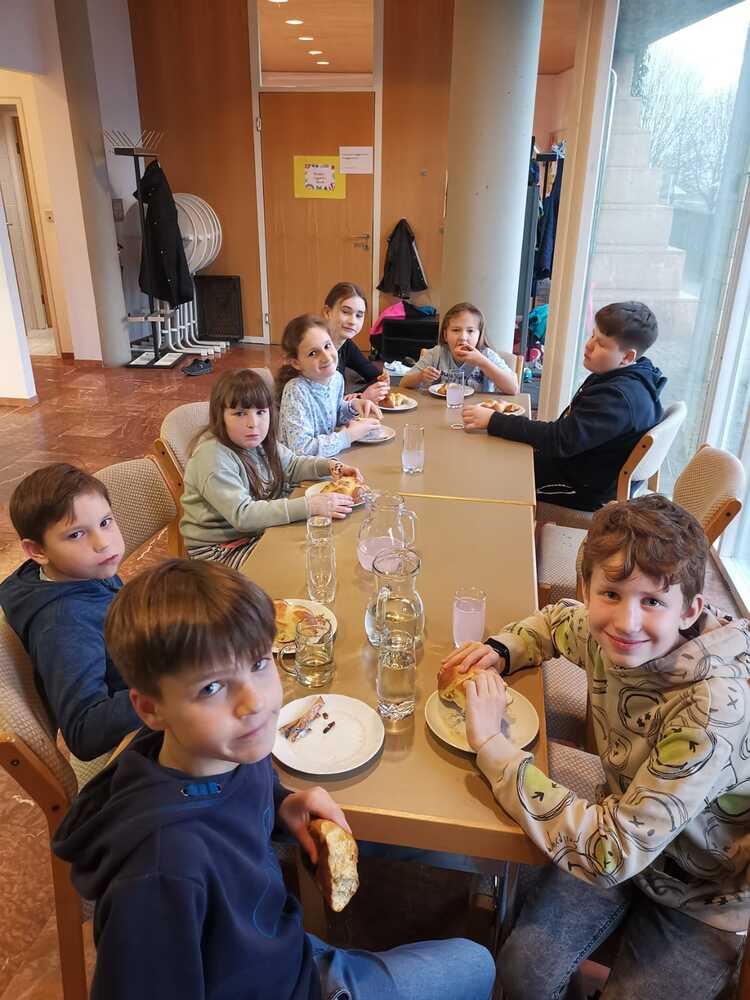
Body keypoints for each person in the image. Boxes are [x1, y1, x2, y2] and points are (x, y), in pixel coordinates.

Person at [52, 560, 497, 1000]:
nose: (255, 703)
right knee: (477, 965)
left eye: (259, 663)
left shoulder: (219, 750)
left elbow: (235, 794)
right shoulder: (161, 872)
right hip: (287, 985)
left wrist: (283, 803)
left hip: (280, 954)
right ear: (150, 709)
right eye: (211, 688)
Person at [441, 495, 750, 1000]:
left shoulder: (712, 709)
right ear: (587, 589)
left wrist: (493, 747)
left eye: (653, 602)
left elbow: (610, 854)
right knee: (521, 972)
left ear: (690, 609)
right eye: (611, 593)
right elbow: (554, 623)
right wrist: (501, 649)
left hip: (702, 894)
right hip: (624, 825)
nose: (626, 621)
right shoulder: (601, 629)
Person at [463, 300, 666, 510]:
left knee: (490, 472)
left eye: (601, 344)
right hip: (577, 468)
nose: (588, 345)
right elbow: (565, 435)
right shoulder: (627, 376)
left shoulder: (617, 399)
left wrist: (493, 420)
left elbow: (559, 440)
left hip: (582, 488)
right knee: (498, 455)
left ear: (628, 357)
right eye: (592, 336)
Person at [0, 463, 139, 760]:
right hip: (145, 730)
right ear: (37, 551)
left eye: (106, 522)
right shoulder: (64, 625)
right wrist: (168, 689)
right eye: (76, 535)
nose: (103, 543)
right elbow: (84, 731)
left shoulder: (83, 571)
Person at [181, 368, 363, 567]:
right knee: (301, 563)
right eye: (240, 414)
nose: (253, 423)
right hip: (220, 550)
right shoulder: (212, 456)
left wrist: (330, 466)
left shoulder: (257, 441)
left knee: (323, 544)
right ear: (220, 416)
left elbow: (292, 465)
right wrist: (309, 506)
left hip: (256, 532)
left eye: (261, 412)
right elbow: (243, 515)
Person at [277, 314, 382, 457]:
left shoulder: (336, 379)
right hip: (298, 469)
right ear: (296, 363)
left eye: (327, 346)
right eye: (313, 353)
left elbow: (332, 414)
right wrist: (348, 436)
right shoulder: (296, 390)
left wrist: (353, 406)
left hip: (328, 461)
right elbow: (301, 450)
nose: (326, 357)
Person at [399, 301, 517, 395]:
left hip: (478, 412)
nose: (463, 337)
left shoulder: (486, 355)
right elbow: (403, 383)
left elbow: (513, 388)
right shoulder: (436, 354)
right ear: (445, 335)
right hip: (441, 410)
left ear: (479, 335)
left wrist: (482, 362)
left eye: (470, 331)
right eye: (456, 330)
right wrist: (421, 376)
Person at [322, 281, 388, 403]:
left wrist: (358, 396)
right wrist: (360, 399)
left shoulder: (346, 345)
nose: (353, 321)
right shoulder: (314, 350)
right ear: (327, 312)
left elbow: (377, 377)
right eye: (345, 312)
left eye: (359, 315)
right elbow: (320, 405)